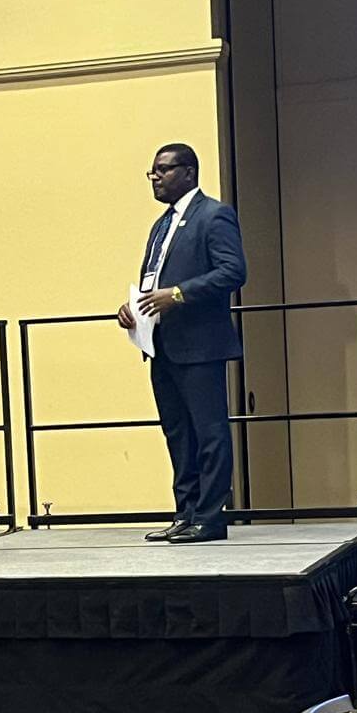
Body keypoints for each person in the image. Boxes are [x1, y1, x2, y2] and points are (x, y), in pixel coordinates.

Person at [117, 143, 246, 544]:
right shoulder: (161, 225)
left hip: (200, 345)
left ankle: (210, 518)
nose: (155, 178)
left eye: (163, 170)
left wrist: (178, 294)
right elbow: (154, 281)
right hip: (162, 344)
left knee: (209, 433)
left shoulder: (214, 215)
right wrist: (132, 308)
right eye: (152, 172)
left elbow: (233, 271)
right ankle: (185, 514)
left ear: (189, 172)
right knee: (178, 434)